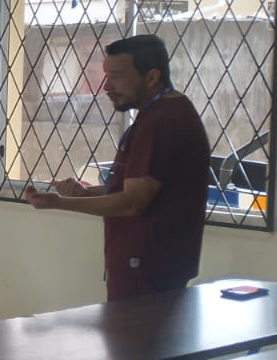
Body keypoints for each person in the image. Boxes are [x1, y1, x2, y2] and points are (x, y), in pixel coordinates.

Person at [25, 34, 210, 301]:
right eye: (107, 76)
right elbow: (140, 188)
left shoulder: (160, 123)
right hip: (149, 266)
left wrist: (60, 203)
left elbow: (132, 203)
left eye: (118, 77)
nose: (107, 86)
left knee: (136, 331)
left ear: (152, 77)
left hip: (146, 269)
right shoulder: (165, 113)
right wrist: (86, 193)